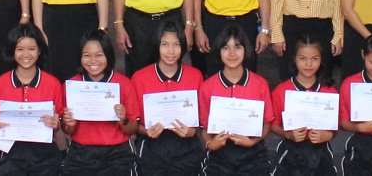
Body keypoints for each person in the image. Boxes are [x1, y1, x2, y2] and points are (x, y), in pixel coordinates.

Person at [59, 30, 137, 176]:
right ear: (80, 57)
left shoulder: (124, 84)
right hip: (80, 152)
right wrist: (69, 124)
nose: (93, 61)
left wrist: (123, 119)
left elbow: (132, 129)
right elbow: (68, 130)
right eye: (87, 55)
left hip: (117, 152)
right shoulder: (72, 86)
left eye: (99, 55)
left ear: (108, 55)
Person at [0, 25, 62, 176]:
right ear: (12, 51)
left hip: (44, 156)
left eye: (32, 49)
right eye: (20, 49)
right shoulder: (0, 84)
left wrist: (56, 123)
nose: (26, 54)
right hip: (11, 154)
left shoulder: (53, 84)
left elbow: (60, 122)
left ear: (39, 50)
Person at [196, 24, 270, 176]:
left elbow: (267, 123)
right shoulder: (207, 87)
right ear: (219, 51)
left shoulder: (260, 84)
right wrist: (210, 143)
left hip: (253, 151)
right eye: (225, 48)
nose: (232, 53)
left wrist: (252, 142)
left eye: (237, 47)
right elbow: (204, 127)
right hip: (220, 152)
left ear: (246, 50)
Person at [132, 24, 204, 176]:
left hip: (187, 146)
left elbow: (202, 119)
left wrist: (193, 131)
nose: (170, 51)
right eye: (164, 44)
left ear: (182, 46)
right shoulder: (140, 78)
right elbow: (132, 123)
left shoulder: (195, 76)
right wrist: (146, 131)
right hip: (151, 146)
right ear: (156, 46)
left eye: (176, 44)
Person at [268, 38, 337, 176]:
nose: (308, 64)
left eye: (314, 59)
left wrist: (328, 135)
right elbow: (272, 123)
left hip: (321, 153)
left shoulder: (330, 92)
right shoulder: (281, 90)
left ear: (321, 60)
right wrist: (287, 134)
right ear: (294, 59)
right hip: (290, 151)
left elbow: (335, 125)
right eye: (302, 58)